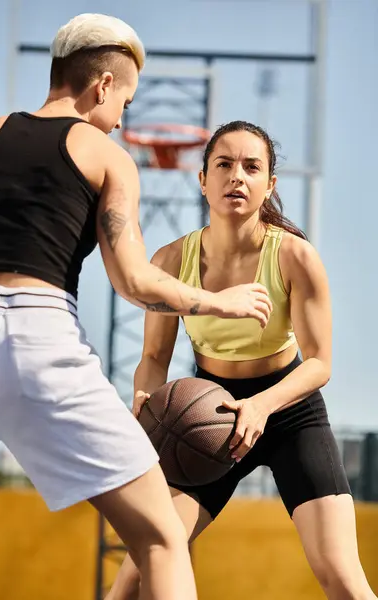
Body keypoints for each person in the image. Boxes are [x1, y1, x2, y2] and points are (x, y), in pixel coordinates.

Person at [0, 15, 274, 600]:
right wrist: (222, 302)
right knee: (161, 537)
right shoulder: (105, 154)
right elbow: (135, 281)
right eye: (126, 103)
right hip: (38, 339)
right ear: (104, 86)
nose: (121, 118)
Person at [109, 120, 377, 600]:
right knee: (135, 573)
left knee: (342, 578)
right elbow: (153, 355)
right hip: (206, 417)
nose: (237, 176)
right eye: (224, 164)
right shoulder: (171, 261)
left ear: (269, 184)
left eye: (252, 167)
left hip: (290, 411)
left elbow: (320, 364)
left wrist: (261, 406)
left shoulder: (295, 256)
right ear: (203, 179)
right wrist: (145, 399)